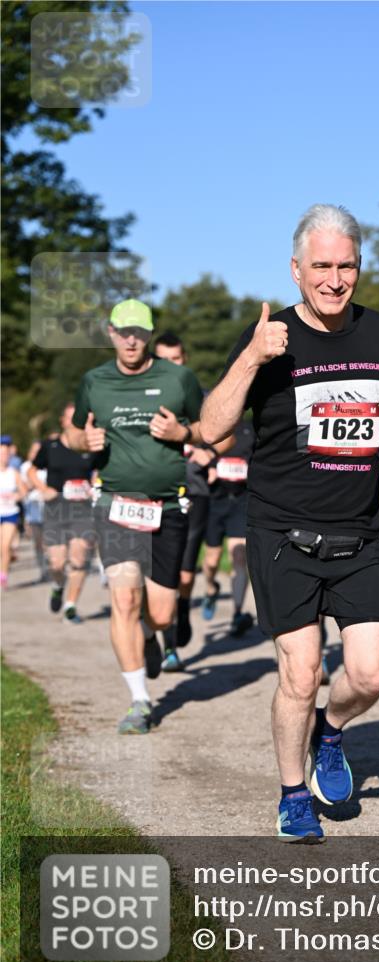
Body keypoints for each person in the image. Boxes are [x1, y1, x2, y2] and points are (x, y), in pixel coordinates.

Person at [201, 204, 379, 842]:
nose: (334, 278)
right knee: (302, 671)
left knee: (372, 672)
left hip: (360, 535)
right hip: (282, 534)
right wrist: (252, 360)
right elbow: (211, 430)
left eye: (346, 265)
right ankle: (294, 795)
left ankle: (330, 732)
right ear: (296, 270)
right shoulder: (268, 336)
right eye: (321, 265)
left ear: (359, 268)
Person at [67, 298, 212, 734]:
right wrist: (83, 440)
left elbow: (212, 428)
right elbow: (71, 430)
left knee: (163, 614)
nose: (131, 339)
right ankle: (139, 701)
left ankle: (151, 636)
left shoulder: (178, 378)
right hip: (115, 504)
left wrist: (183, 432)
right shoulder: (94, 381)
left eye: (139, 331)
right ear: (110, 332)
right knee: (124, 598)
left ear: (149, 335)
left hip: (167, 507)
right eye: (123, 330)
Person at [152, 332, 232, 669]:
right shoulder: (141, 398)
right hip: (150, 495)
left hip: (193, 494)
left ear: (184, 360)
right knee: (151, 576)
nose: (171, 366)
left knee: (183, 575)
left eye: (177, 359)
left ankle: (180, 614)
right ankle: (162, 641)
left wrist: (208, 452)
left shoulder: (200, 399)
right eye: (164, 360)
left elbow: (225, 437)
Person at [28, 406, 97, 621]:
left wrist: (94, 486)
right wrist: (43, 488)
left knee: (79, 557)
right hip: (56, 507)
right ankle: (58, 585)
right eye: (72, 418)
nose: (76, 423)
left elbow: (98, 472)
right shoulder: (50, 446)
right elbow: (31, 470)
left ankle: (70, 605)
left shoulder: (91, 447)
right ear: (63, 421)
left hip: (82, 508)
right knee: (56, 563)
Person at [201, 417, 255, 637]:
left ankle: (237, 613)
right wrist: (209, 467)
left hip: (241, 500)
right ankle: (211, 588)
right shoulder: (214, 426)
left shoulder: (251, 429)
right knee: (212, 559)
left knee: (240, 557)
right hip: (216, 500)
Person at [0, 440, 27, 588]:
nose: (4, 456)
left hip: (10, 513)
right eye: (1, 453)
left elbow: (23, 491)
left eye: (6, 453)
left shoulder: (14, 473)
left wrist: (15, 497)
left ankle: (3, 575)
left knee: (5, 546)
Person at [21, 442, 49, 581]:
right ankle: (43, 570)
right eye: (34, 451)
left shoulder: (48, 465)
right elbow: (23, 487)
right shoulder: (25, 467)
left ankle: (53, 567)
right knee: (38, 542)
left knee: (49, 540)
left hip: (49, 506)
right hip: (33, 506)